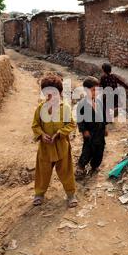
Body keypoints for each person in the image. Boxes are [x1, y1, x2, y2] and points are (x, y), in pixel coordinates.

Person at [31, 75, 78, 208]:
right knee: (43, 171)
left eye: (55, 94)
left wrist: (60, 133)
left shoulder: (65, 108)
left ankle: (70, 194)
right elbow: (35, 125)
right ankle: (39, 193)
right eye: (48, 95)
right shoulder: (40, 109)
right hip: (45, 148)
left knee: (66, 171)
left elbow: (71, 124)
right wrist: (41, 135)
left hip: (62, 146)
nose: (52, 98)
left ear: (60, 92)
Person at [76, 76, 108, 179]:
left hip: (99, 132)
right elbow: (80, 119)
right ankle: (81, 166)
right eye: (93, 90)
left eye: (97, 90)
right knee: (87, 150)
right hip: (90, 133)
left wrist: (105, 127)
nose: (96, 92)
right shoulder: (82, 104)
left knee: (100, 150)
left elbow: (103, 115)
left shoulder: (99, 102)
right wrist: (84, 130)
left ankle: (95, 165)